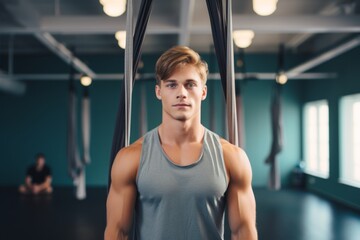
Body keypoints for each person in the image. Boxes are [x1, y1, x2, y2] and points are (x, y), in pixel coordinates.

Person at [105, 46, 257, 240]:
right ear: (159, 92)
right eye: (171, 85)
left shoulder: (231, 157)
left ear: (203, 92)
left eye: (190, 84)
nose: (182, 93)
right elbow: (118, 232)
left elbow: (243, 231)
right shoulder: (131, 157)